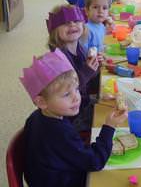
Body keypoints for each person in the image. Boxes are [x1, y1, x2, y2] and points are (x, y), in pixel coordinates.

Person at [20, 49, 128, 187]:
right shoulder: (60, 134)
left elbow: (75, 107)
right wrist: (109, 127)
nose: (76, 97)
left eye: (76, 89)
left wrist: (95, 98)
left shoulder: (38, 116)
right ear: (41, 102)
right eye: (66, 94)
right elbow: (95, 162)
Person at [47, 4, 100, 131]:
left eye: (76, 21)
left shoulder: (79, 48)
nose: (72, 25)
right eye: (65, 23)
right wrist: (87, 71)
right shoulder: (58, 58)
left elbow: (87, 81)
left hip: (83, 102)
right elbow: (68, 90)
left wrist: (95, 67)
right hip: (72, 117)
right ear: (54, 30)